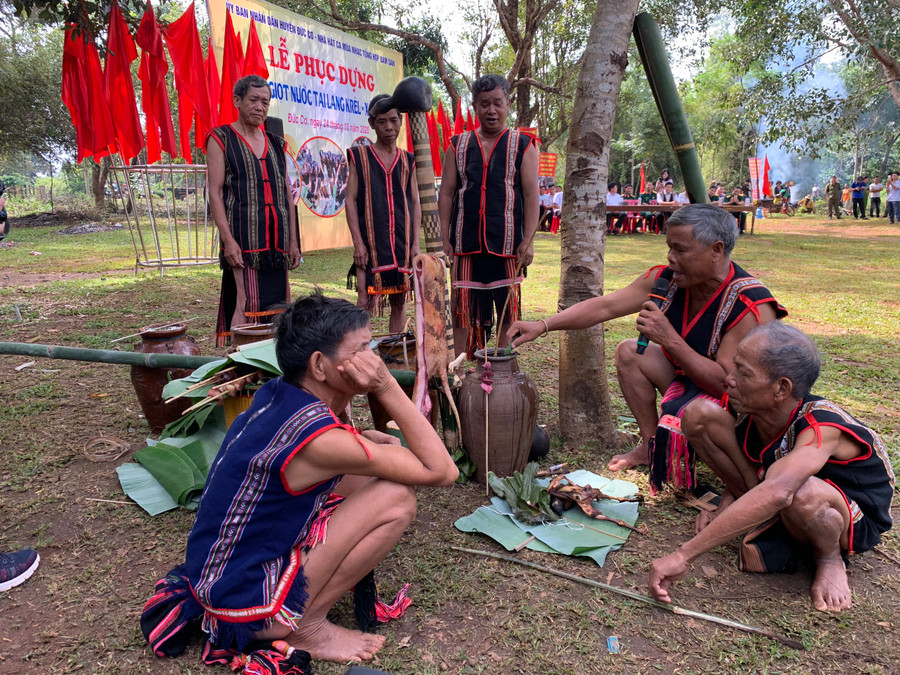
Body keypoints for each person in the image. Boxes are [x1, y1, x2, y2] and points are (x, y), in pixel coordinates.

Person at [141, 292, 458, 667]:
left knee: (361, 479)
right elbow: (442, 471)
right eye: (361, 350)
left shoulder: (278, 393)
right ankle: (305, 625)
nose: (373, 361)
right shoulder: (321, 441)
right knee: (395, 497)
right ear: (320, 366)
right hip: (244, 601)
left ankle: (297, 605)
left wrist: (364, 443)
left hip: (219, 576)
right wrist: (386, 385)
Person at [507, 204, 786, 490]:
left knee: (703, 408)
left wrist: (668, 338)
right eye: (669, 248)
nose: (671, 258)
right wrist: (542, 326)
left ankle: (731, 473)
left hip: (739, 411)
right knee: (630, 352)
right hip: (690, 382)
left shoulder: (750, 305)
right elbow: (606, 306)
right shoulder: (666, 280)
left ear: (716, 250)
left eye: (680, 250)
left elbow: (727, 387)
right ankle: (652, 447)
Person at [649, 322, 894, 612]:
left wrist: (683, 555)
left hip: (849, 513)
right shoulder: (757, 409)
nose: (729, 379)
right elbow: (754, 453)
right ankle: (750, 507)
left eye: (743, 372)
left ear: (781, 388)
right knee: (699, 414)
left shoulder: (822, 428)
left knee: (802, 492)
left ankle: (829, 559)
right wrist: (726, 501)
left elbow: (781, 490)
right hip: (778, 490)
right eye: (734, 367)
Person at [439, 74, 539, 358]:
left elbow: (532, 196)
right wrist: (444, 239)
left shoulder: (524, 145)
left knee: (507, 309)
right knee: (461, 311)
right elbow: (446, 194)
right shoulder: (456, 145)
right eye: (484, 104)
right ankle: (457, 372)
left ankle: (502, 371)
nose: (491, 110)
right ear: (475, 107)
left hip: (507, 245)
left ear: (508, 104)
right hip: (465, 242)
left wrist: (528, 241)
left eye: (497, 103)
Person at [207, 75, 301, 347]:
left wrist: (293, 242)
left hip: (277, 244)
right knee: (245, 303)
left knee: (278, 307)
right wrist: (228, 241)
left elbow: (287, 194)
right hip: (243, 238)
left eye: (265, 102)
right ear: (238, 100)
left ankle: (271, 362)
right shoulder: (220, 138)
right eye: (254, 100)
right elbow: (215, 192)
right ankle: (240, 363)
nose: (260, 107)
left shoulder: (276, 143)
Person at [345, 94, 421, 335]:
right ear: (371, 123)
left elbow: (415, 202)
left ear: (401, 121)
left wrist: (416, 243)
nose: (389, 127)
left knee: (399, 303)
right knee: (364, 301)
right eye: (381, 121)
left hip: (402, 242)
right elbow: (350, 199)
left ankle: (395, 351)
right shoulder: (360, 156)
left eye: (393, 120)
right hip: (371, 243)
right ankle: (360, 355)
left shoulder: (409, 160)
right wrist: (358, 243)